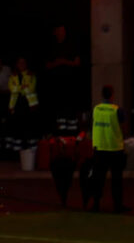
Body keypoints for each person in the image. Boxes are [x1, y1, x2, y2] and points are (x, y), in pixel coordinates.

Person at [87, 85, 126, 213]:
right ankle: (118, 206)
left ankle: (96, 204)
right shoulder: (117, 110)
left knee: (98, 178)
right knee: (117, 179)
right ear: (112, 95)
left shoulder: (96, 109)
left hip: (100, 148)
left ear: (102, 95)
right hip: (115, 148)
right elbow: (123, 127)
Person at [37, 118, 91, 208]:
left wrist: (76, 141)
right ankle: (63, 197)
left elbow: (82, 132)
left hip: (69, 155)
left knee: (67, 179)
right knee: (60, 179)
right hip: (58, 155)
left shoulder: (76, 119)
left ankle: (64, 198)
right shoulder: (55, 119)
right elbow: (49, 134)